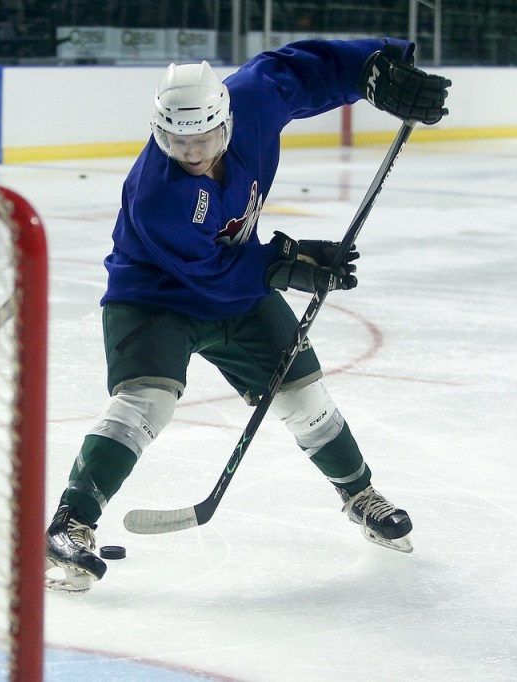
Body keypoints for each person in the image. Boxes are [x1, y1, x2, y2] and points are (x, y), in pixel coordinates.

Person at [45, 38, 451, 592]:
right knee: (147, 401)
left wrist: (373, 67)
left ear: (227, 120)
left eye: (206, 137)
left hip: (237, 284)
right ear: (160, 131)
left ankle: (360, 496)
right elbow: (207, 269)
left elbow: (293, 70)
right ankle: (72, 523)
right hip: (155, 295)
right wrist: (286, 262)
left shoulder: (250, 103)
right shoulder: (156, 195)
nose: (193, 152)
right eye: (177, 140)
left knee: (304, 397)